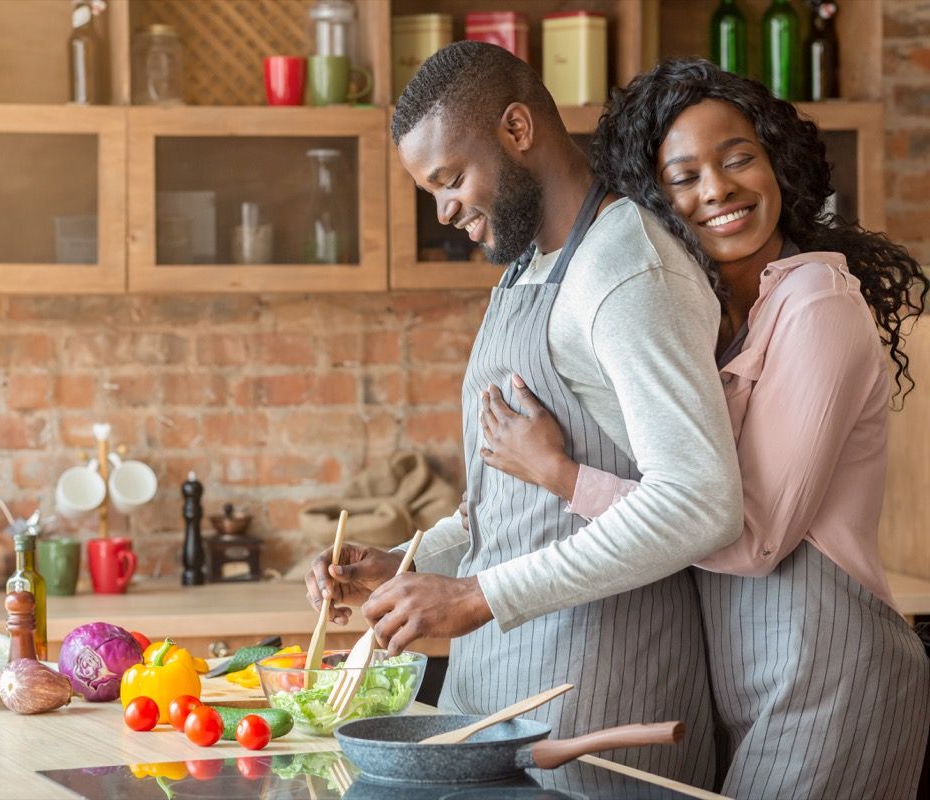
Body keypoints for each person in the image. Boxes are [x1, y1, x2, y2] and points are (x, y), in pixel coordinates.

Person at [476, 58, 930, 800]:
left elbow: (750, 538)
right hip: (745, 685)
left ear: (776, 162)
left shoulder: (817, 304)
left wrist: (562, 476)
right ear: (654, 198)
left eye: (739, 158)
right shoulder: (709, 322)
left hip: (833, 677)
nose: (717, 189)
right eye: (684, 176)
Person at [305, 42, 744, 790]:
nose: (443, 210)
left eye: (450, 179)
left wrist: (478, 595)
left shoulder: (625, 269)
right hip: (495, 712)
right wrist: (408, 564)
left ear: (516, 129)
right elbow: (508, 511)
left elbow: (701, 501)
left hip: (598, 718)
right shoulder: (525, 267)